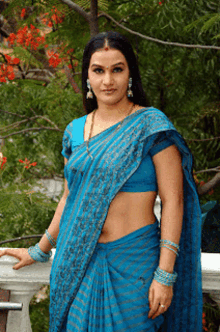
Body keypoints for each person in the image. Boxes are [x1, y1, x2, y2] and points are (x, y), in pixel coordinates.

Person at [0, 31, 202, 332]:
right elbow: (69, 199)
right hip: (80, 261)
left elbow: (174, 201)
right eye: (99, 70)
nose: (108, 80)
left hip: (135, 265)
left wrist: (164, 274)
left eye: (117, 69)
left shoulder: (151, 127)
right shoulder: (75, 131)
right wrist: (40, 249)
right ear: (88, 77)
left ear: (130, 74)